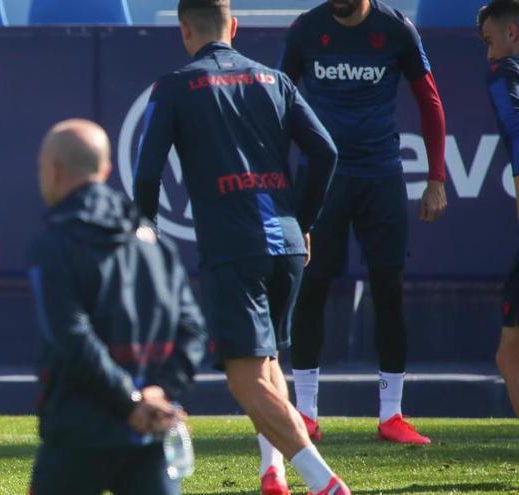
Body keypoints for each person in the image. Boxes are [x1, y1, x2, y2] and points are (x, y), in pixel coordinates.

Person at [133, 1, 350, 494]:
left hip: (234, 246)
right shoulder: (275, 80)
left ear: (185, 30)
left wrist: (146, 235)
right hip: (288, 245)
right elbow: (326, 152)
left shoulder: (175, 85)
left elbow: (148, 172)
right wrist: (304, 219)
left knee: (243, 376)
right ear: (233, 26)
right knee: (268, 362)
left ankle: (324, 483)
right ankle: (271, 472)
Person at [280, 0, 448, 445]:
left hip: (381, 177)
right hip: (322, 182)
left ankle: (391, 415)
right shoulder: (305, 30)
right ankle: (305, 414)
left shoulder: (397, 30)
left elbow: (429, 101)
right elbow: (279, 108)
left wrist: (436, 178)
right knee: (311, 287)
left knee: (388, 289)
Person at [27, 119, 207, 495]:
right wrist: (158, 393)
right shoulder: (151, 241)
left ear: (53, 169)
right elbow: (193, 329)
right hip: (149, 431)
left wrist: (130, 402)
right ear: (105, 170)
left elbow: (70, 336)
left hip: (79, 432)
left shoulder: (55, 241)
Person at [480, 0, 519, 418]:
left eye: (491, 41)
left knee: (510, 354)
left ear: (512, 33)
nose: (489, 53)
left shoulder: (504, 73)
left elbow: (515, 128)